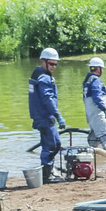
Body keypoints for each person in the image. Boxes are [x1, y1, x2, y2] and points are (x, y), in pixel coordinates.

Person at [28, 48, 67, 184]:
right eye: (51, 64)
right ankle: (47, 175)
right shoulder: (44, 78)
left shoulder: (39, 74)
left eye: (56, 64)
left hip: (42, 116)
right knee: (50, 145)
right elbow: (47, 99)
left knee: (55, 144)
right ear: (43, 62)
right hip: (45, 116)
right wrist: (58, 115)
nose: (54, 67)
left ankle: (49, 169)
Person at [82, 57, 106, 151]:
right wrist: (105, 110)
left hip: (91, 116)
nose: (102, 70)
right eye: (101, 68)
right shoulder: (95, 81)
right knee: (105, 137)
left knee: (93, 139)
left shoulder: (87, 81)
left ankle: (93, 159)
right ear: (98, 68)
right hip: (99, 115)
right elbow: (97, 97)